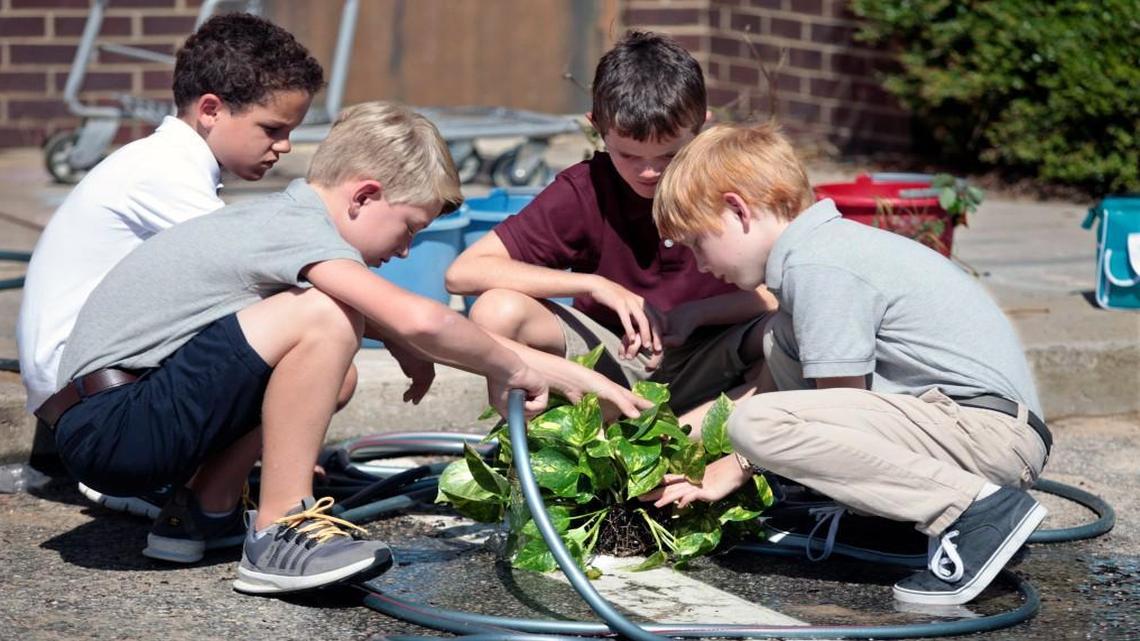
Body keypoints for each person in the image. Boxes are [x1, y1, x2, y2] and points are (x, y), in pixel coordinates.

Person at [40, 101, 649, 595]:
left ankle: (203, 511)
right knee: (329, 318)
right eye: (410, 227)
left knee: (337, 371)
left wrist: (582, 376)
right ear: (363, 196)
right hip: (112, 426)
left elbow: (415, 330)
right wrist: (515, 366)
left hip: (115, 420)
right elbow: (421, 318)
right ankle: (281, 532)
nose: (408, 250)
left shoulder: (280, 225)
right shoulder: (295, 230)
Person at [642, 122, 1051, 606]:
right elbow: (768, 391)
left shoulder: (820, 267)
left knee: (757, 427)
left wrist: (742, 461)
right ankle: (895, 521)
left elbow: (832, 410)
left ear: (738, 209)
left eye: (696, 243)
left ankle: (977, 512)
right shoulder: (815, 258)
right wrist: (660, 440)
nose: (700, 264)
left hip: (985, 435)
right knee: (774, 357)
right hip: (967, 425)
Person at [16, 12, 324, 513]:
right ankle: (194, 496)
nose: (284, 145)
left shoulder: (161, 162)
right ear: (210, 110)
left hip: (90, 381)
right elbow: (259, 277)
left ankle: (196, 482)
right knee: (307, 331)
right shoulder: (163, 173)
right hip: (95, 399)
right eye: (272, 128)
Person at [445, 31, 778, 425]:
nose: (650, 171)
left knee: (788, 332)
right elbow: (463, 273)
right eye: (629, 155)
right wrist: (593, 285)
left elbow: (782, 295)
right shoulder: (586, 188)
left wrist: (697, 314)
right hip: (611, 360)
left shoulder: (737, 182)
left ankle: (719, 442)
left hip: (719, 358)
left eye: (670, 154)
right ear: (596, 128)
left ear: (702, 127)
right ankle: (540, 443)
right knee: (496, 309)